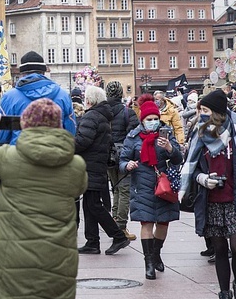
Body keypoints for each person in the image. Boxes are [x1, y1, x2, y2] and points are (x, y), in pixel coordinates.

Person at [0, 98, 87, 299]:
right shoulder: (75, 166)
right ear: (58, 126)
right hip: (57, 259)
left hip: (10, 257)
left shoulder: (8, 157)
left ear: (24, 124)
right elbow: (79, 188)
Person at [180, 89, 236, 299]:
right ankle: (224, 296)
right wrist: (202, 178)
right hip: (211, 200)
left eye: (205, 110)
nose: (202, 115)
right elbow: (192, 166)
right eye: (200, 110)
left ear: (217, 112)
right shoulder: (199, 134)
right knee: (219, 250)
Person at [120, 98, 183, 280]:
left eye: (156, 118)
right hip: (142, 185)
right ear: (142, 120)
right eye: (149, 119)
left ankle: (156, 253)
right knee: (146, 222)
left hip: (164, 184)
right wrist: (128, 165)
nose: (153, 122)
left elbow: (178, 159)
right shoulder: (133, 137)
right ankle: (149, 263)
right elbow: (122, 160)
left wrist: (170, 148)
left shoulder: (166, 134)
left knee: (163, 223)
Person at [75, 86, 131, 255]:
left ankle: (118, 236)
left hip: (90, 165)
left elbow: (82, 141)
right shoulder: (103, 116)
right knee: (89, 204)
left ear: (90, 101)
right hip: (96, 165)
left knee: (93, 204)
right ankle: (92, 241)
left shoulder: (91, 116)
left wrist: (65, 144)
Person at [0, 51, 75, 145]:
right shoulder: (63, 95)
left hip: (19, 154)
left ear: (22, 73)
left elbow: (0, 136)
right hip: (55, 154)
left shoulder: (10, 97)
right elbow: (70, 133)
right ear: (43, 72)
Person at [105, 81, 139, 241]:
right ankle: (121, 227)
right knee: (124, 190)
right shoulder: (128, 112)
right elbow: (135, 135)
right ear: (121, 94)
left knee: (115, 189)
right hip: (124, 156)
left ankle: (114, 220)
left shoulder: (103, 111)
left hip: (108, 156)